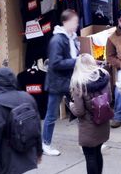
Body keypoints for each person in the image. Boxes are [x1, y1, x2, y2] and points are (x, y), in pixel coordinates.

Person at [0, 67, 42, 174]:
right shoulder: (28, 97)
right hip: (24, 154)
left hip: (5, 158)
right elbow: (37, 128)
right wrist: (39, 151)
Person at [42, 9, 79, 156]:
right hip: (57, 83)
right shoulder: (57, 40)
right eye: (74, 22)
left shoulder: (71, 38)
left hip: (68, 81)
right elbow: (55, 63)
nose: (76, 25)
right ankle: (45, 144)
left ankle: (87, 142)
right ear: (65, 22)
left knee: (79, 111)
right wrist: (76, 61)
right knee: (51, 115)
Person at [69, 54, 111, 174]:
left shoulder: (78, 84)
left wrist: (71, 105)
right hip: (102, 123)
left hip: (88, 127)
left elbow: (79, 111)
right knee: (97, 152)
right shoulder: (104, 78)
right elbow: (110, 99)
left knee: (90, 156)